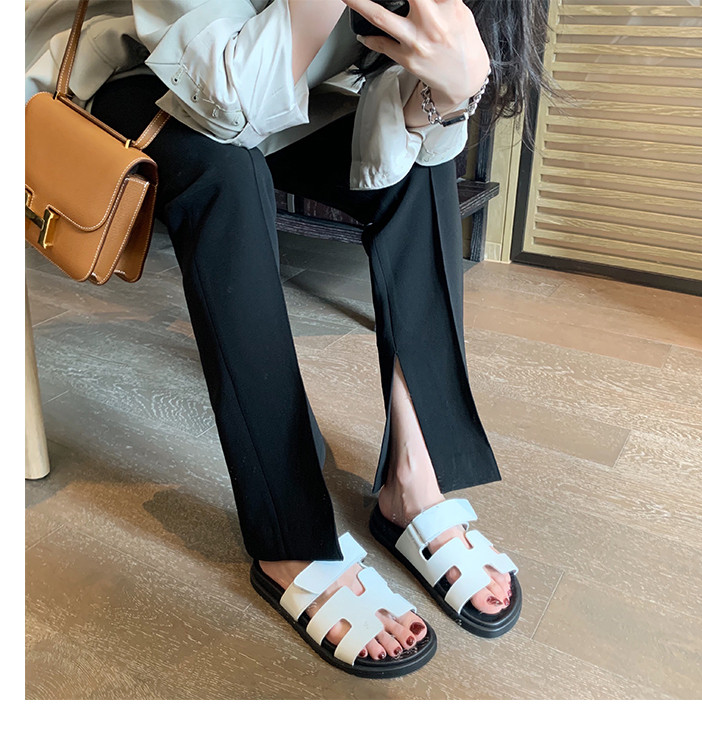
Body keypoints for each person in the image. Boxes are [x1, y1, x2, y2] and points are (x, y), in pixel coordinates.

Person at [25, 0, 552, 678]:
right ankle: (290, 536)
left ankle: (413, 482)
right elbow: (223, 103)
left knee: (418, 170)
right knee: (224, 169)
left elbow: (394, 117)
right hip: (133, 78)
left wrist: (447, 96)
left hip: (271, 90)